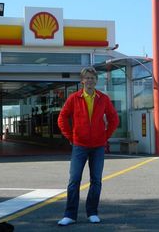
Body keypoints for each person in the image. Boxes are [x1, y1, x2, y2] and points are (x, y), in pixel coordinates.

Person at [57, 66, 119, 226]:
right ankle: (70, 215)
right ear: (82, 80)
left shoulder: (103, 99)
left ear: (96, 81)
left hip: (98, 146)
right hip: (80, 145)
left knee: (96, 180)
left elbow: (114, 119)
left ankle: (92, 212)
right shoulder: (74, 98)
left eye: (92, 78)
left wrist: (105, 136)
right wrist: (71, 136)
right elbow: (62, 117)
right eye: (87, 78)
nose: (90, 81)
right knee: (74, 180)